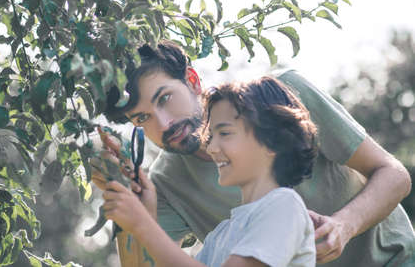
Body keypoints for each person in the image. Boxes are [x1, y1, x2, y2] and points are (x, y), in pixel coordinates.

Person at [93, 40, 414, 267]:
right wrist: (126, 204)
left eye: (165, 99)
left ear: (192, 81)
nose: (164, 124)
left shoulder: (285, 95)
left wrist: (344, 226)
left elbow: (395, 175)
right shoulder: (164, 184)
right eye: (142, 118)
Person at [102, 76, 318, 267]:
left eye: (225, 133)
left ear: (272, 141)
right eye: (211, 136)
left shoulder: (284, 206)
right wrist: (146, 211)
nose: (212, 148)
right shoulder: (220, 235)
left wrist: (143, 224)